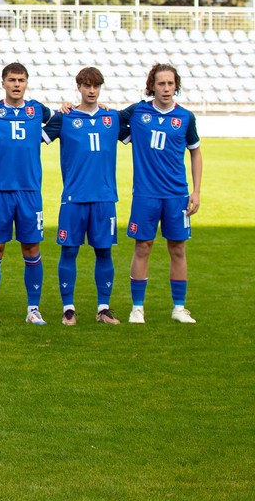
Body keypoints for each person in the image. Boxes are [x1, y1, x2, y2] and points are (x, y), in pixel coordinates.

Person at [0, 63, 54, 326]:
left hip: (29, 191)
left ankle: (33, 309)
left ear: (26, 83)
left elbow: (60, 117)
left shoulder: (38, 110)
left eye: (21, 80)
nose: (16, 84)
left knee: (31, 248)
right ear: (3, 83)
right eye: (11, 80)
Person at [119, 63, 202, 324]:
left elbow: (196, 152)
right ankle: (137, 308)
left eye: (170, 83)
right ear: (151, 86)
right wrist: (69, 107)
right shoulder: (136, 112)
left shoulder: (186, 117)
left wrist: (196, 191)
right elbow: (103, 117)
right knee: (143, 246)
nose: (166, 88)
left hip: (177, 195)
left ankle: (179, 307)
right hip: (145, 195)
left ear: (176, 85)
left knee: (177, 249)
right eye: (161, 83)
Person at [44, 67, 124, 325]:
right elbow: (32, 138)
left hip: (104, 199)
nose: (91, 91)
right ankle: (69, 308)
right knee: (69, 252)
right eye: (86, 86)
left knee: (104, 252)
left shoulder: (113, 119)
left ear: (100, 88)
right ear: (78, 87)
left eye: (96, 86)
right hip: (73, 199)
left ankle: (104, 308)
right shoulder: (64, 118)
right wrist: (58, 111)